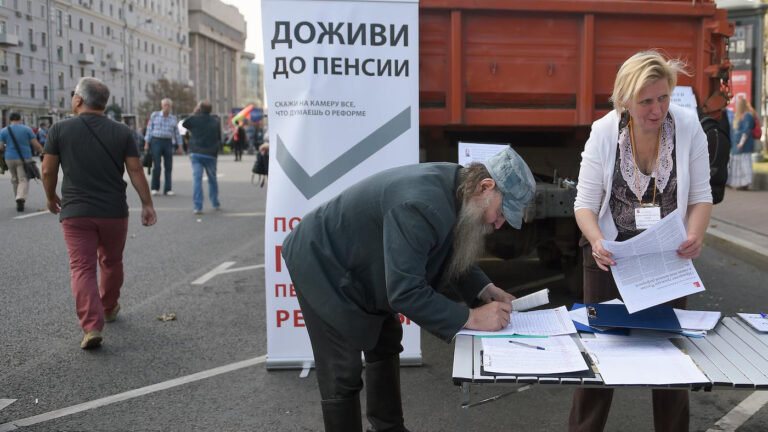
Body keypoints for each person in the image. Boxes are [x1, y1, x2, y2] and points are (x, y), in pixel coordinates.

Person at [281, 147, 536, 431]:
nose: (498, 224)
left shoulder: (459, 186)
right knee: (342, 371)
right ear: (485, 186)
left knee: (386, 340)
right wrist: (472, 317)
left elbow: (450, 249)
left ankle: (389, 428)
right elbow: (405, 292)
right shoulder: (420, 204)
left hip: (360, 262)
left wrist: (484, 289)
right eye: (500, 212)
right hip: (321, 262)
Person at [569, 50, 712, 432]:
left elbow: (701, 196)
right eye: (646, 101)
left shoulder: (687, 127)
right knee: (600, 355)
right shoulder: (604, 132)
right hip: (610, 257)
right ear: (624, 100)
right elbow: (584, 205)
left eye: (663, 97)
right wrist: (597, 241)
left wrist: (695, 235)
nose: (657, 109)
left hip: (668, 255)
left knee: (671, 357)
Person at [41, 77, 158, 349]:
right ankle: (108, 307)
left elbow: (47, 170)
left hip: (76, 212)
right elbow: (136, 170)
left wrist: (50, 197)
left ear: (79, 99)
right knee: (111, 261)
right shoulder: (122, 131)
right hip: (114, 211)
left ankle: (92, 326)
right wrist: (147, 204)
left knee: (81, 267)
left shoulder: (59, 129)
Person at [182, 100, 222, 214]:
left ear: (199, 109)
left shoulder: (194, 119)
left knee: (197, 179)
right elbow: (219, 138)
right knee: (212, 179)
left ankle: (198, 206)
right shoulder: (216, 122)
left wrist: (194, 113)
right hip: (211, 154)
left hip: (196, 152)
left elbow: (184, 124)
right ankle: (215, 202)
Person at [0, 112, 44, 212]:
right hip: (24, 158)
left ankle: (17, 198)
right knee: (23, 178)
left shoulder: (4, 131)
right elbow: (35, 144)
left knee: (14, 178)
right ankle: (20, 197)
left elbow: (0, 147)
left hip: (9, 158)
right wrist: (43, 152)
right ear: (20, 119)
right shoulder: (27, 129)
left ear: (10, 120)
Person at [144, 98, 183, 196]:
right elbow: (149, 129)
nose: (167, 107)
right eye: (165, 105)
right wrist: (147, 142)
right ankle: (154, 187)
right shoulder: (155, 115)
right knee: (157, 165)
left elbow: (177, 133)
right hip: (156, 141)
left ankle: (168, 189)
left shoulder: (173, 118)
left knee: (168, 166)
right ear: (162, 106)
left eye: (169, 105)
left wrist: (180, 145)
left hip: (168, 142)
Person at [727, 97, 755, 190]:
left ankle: (744, 184)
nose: (736, 106)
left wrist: (741, 143)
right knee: (737, 166)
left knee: (743, 166)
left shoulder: (747, 116)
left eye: (737, 104)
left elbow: (746, 131)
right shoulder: (737, 116)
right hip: (735, 146)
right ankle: (738, 184)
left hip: (743, 147)